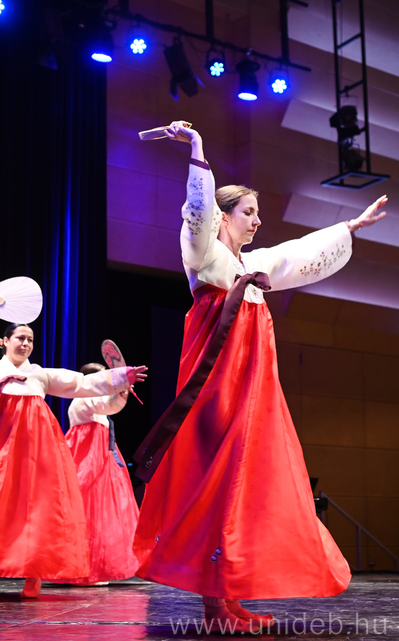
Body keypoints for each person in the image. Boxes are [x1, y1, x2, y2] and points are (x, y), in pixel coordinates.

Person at [133, 121, 387, 633]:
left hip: (251, 394)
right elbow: (196, 210)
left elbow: (299, 252)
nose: (257, 220)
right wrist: (198, 150)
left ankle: (230, 597)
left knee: (242, 489)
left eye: (257, 212)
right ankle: (213, 607)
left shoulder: (256, 265)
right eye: (248, 212)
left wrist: (350, 227)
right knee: (214, 487)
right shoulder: (204, 256)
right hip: (215, 393)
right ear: (224, 215)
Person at [0, 296, 147, 601]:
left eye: (30, 340)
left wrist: (121, 377)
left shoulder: (39, 374)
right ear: (5, 341)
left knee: (39, 510)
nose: (26, 343)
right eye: (20, 338)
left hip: (31, 456)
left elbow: (80, 383)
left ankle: (33, 577)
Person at [62, 362, 139, 585]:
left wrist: (121, 390)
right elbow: (108, 406)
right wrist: (121, 391)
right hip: (88, 451)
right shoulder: (85, 397)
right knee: (90, 503)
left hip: (99, 451)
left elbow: (107, 405)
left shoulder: (89, 398)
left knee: (104, 506)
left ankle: (96, 566)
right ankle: (85, 569)